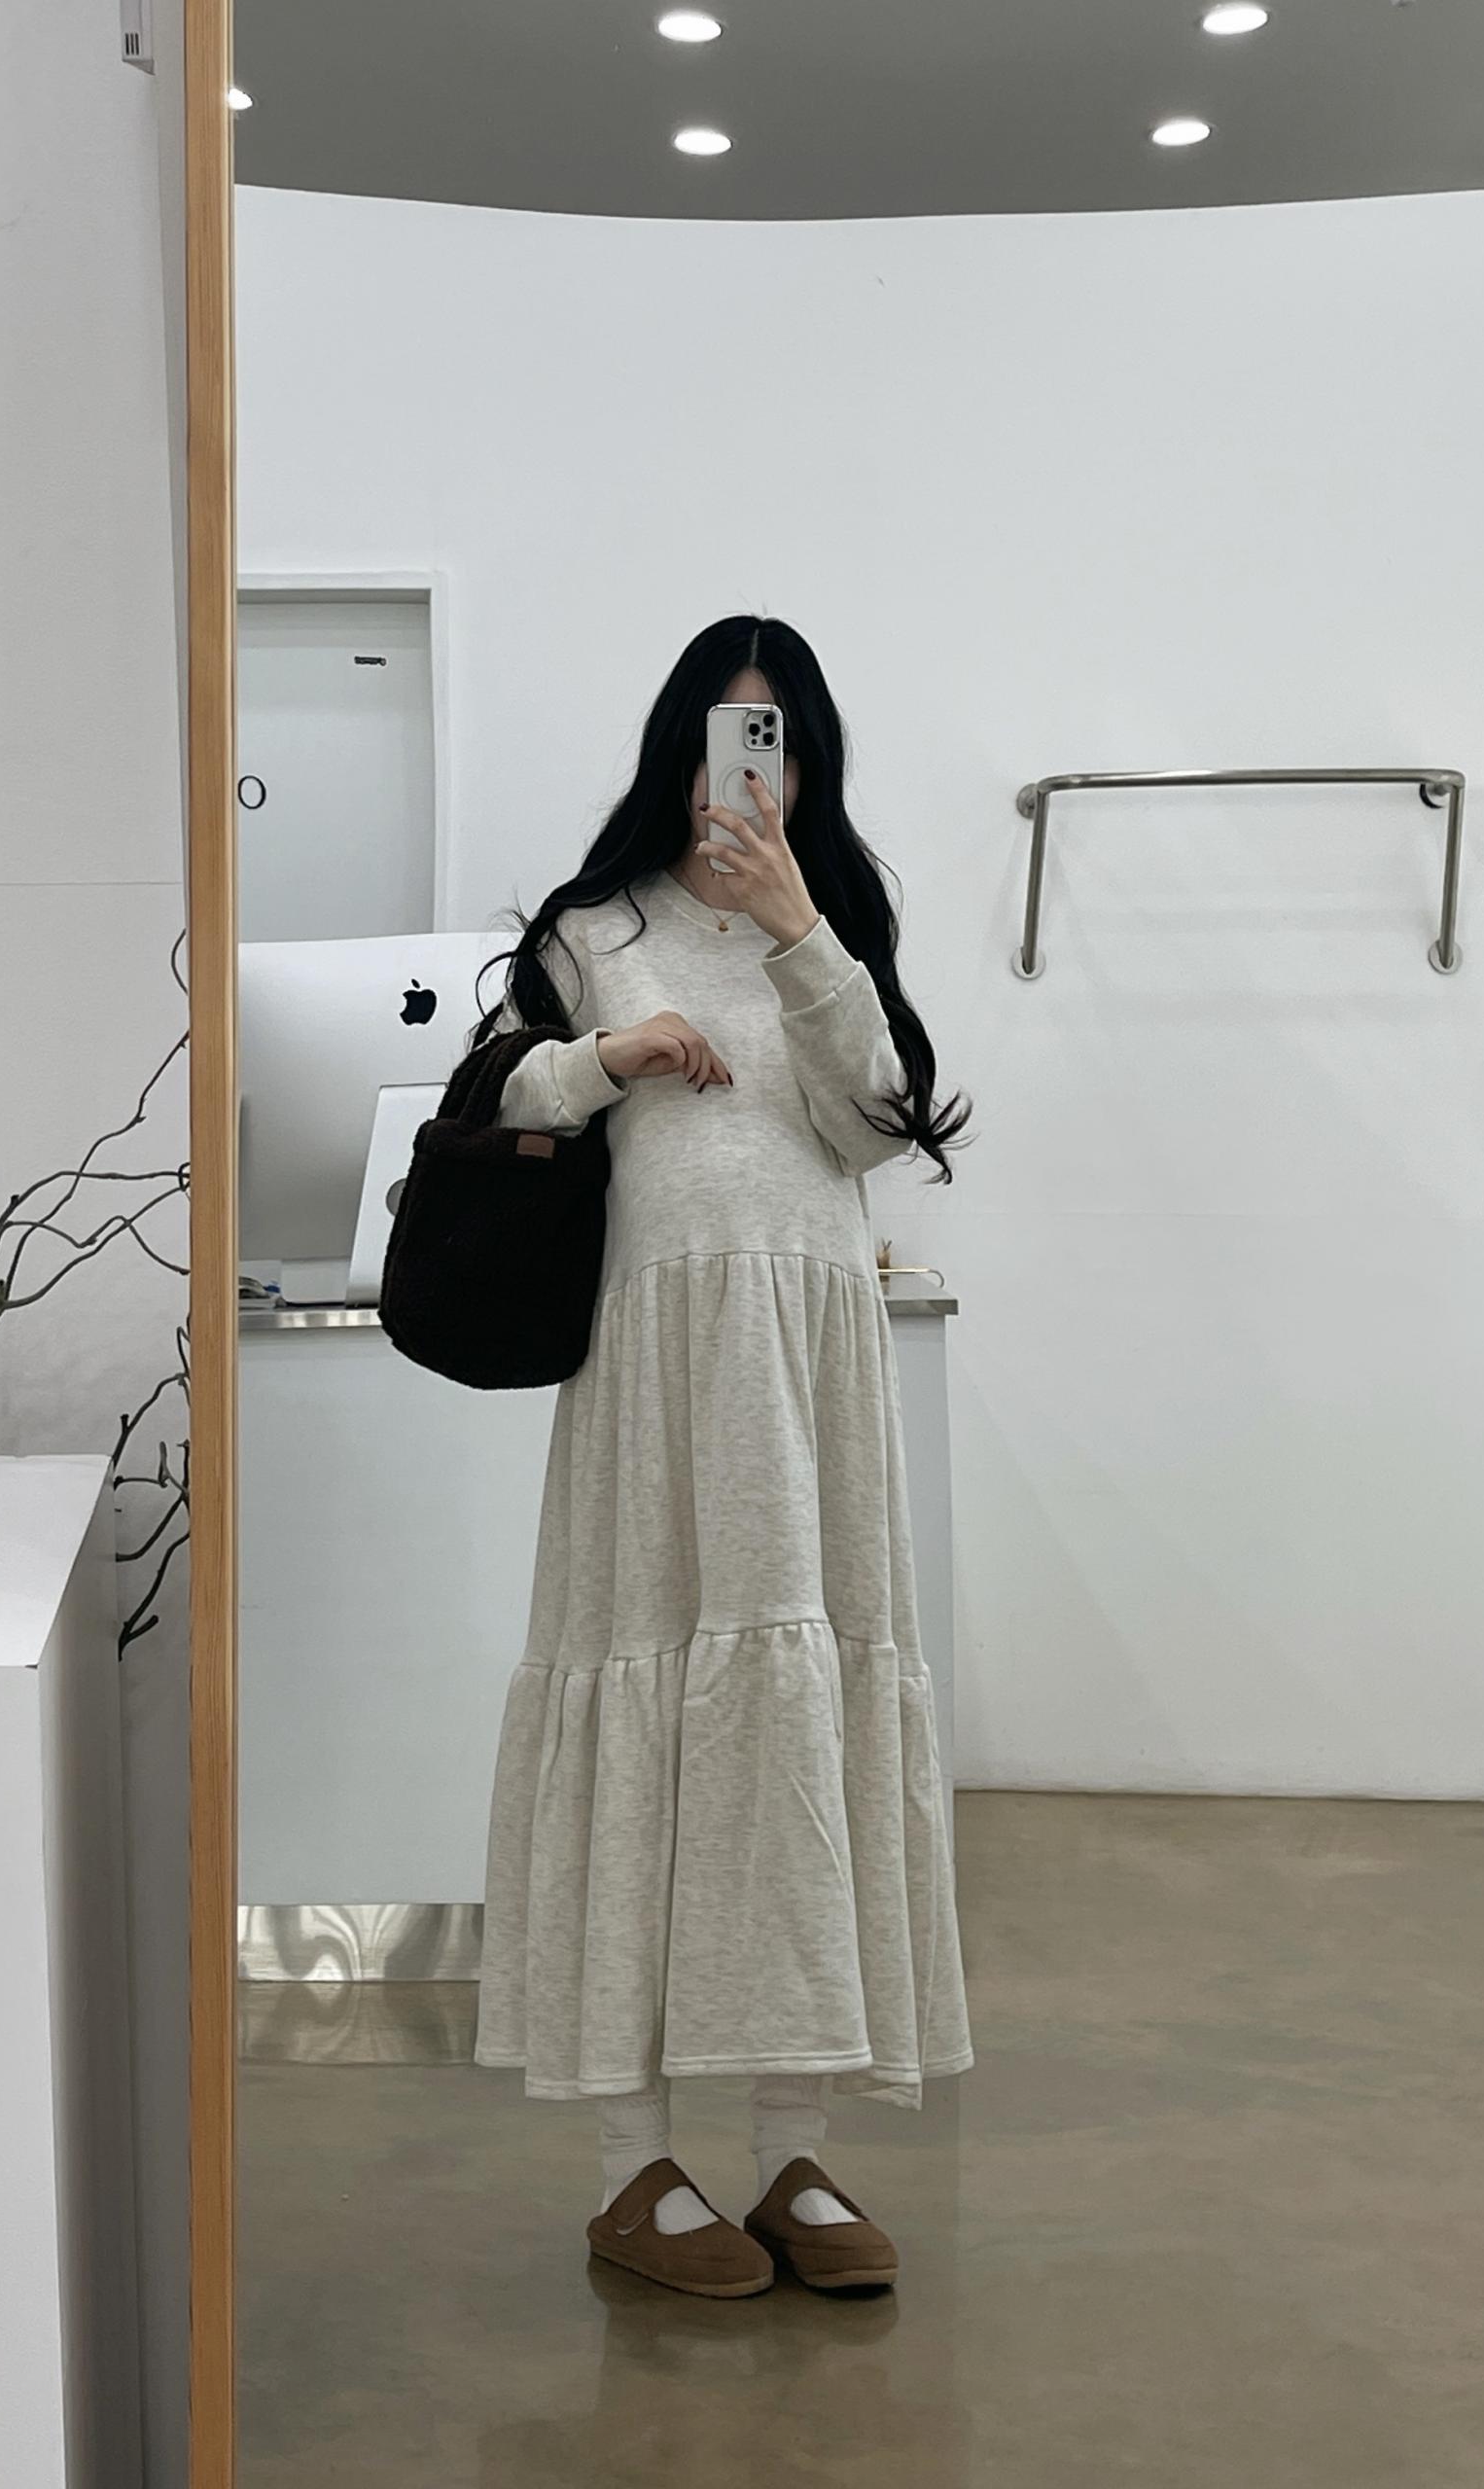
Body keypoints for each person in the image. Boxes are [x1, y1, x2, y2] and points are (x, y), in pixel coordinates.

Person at [472, 615, 972, 2297]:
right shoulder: (593, 927)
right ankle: (632, 2166)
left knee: (799, 1721)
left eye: (776, 737)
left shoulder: (833, 919)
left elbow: (874, 1125)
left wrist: (800, 933)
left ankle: (794, 2151)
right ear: (676, 749)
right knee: (641, 1688)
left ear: (808, 760)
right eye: (721, 733)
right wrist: (605, 1054)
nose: (746, 769)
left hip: (813, 1354)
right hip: (657, 1360)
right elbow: (497, 1111)